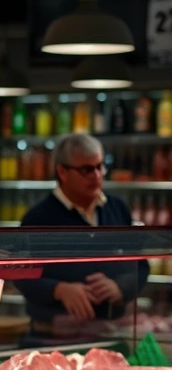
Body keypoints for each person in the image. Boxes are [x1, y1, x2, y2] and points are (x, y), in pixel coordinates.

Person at [15, 133, 148, 332]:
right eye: (86, 169)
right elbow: (18, 273)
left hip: (112, 331)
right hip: (55, 334)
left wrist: (120, 286)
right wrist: (58, 290)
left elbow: (141, 266)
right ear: (62, 172)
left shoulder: (117, 208)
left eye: (100, 166)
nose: (96, 175)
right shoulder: (38, 217)